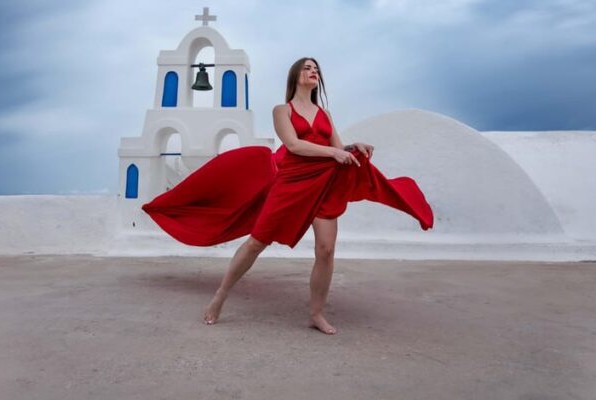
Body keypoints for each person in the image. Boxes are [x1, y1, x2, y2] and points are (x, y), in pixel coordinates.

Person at [141, 57, 434, 335]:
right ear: (295, 75)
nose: (313, 71)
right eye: (307, 67)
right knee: (257, 242)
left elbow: (337, 148)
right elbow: (293, 145)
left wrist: (351, 146)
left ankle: (316, 313)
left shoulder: (325, 114)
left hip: (325, 183)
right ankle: (220, 296)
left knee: (326, 250)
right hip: (292, 182)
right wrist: (333, 152)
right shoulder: (282, 111)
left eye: (316, 68)